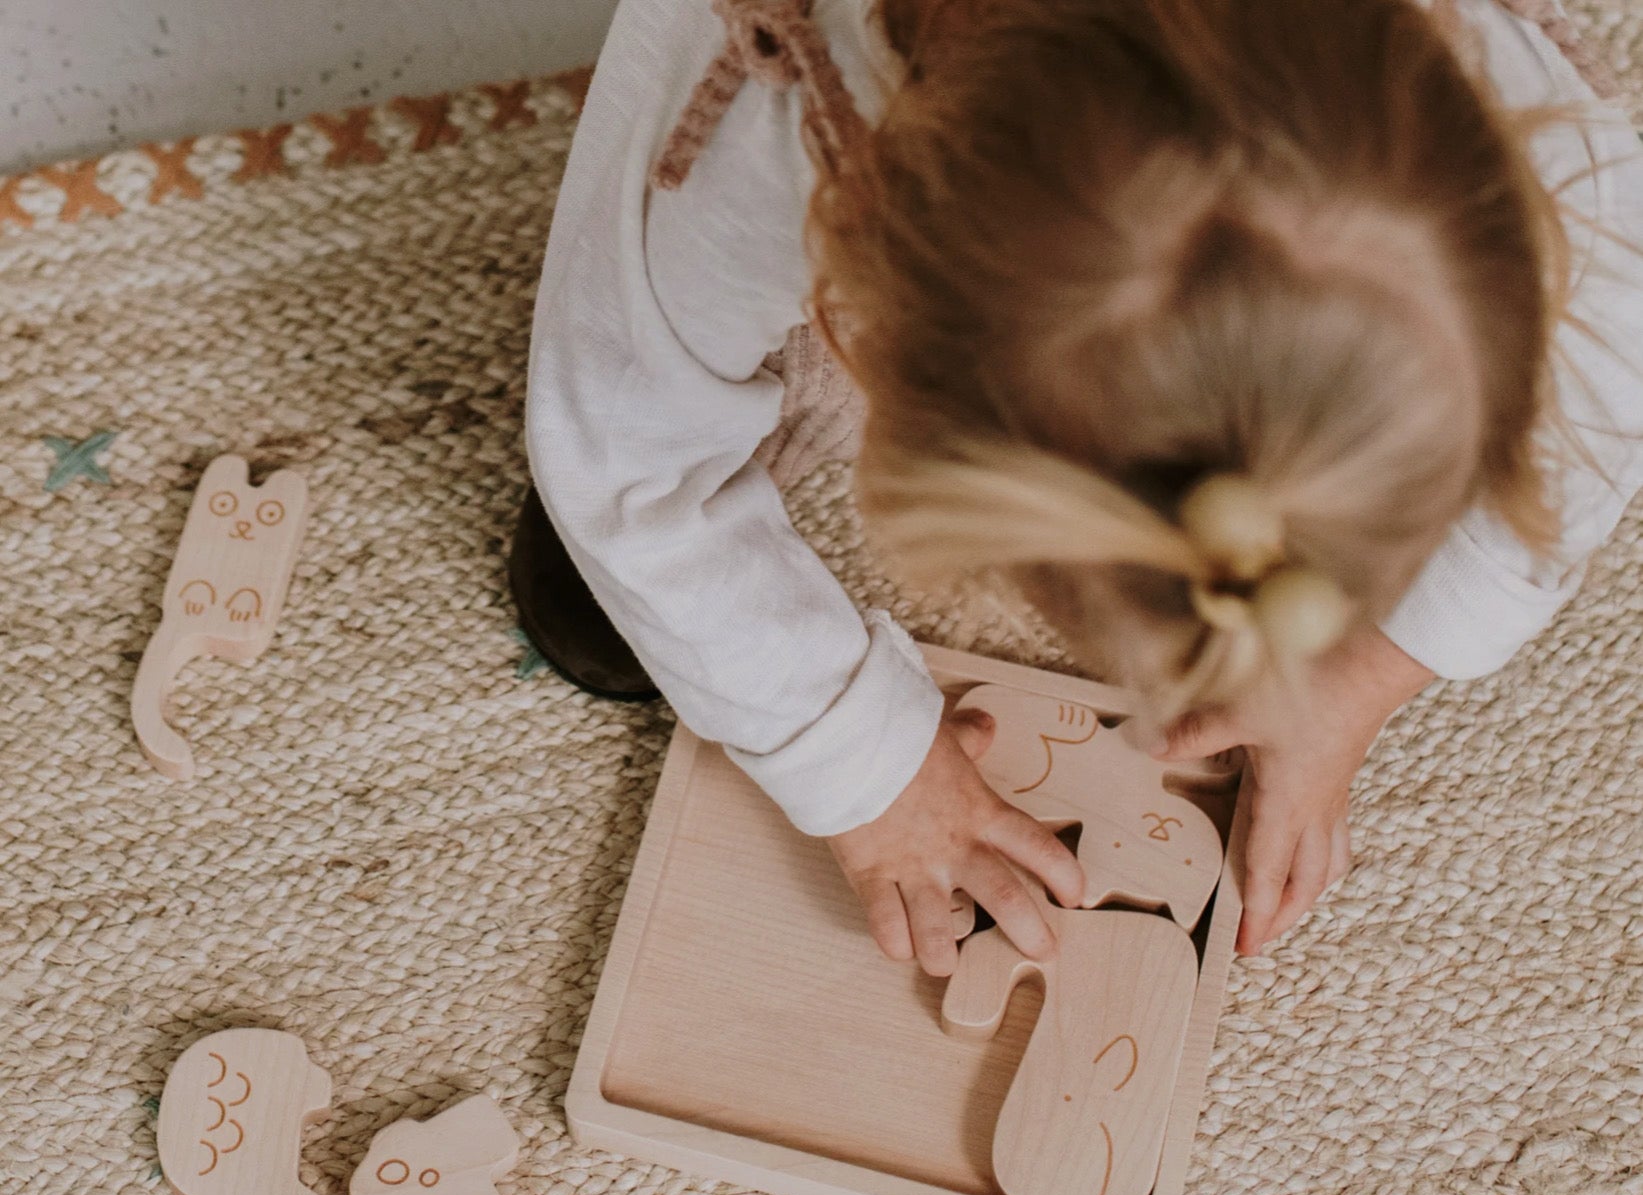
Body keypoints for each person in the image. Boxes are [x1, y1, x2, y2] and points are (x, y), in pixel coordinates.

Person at [516, 0, 1643, 975]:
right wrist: (859, 762)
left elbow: (1604, 370)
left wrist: (1363, 673)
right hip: (842, 161)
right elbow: (621, 443)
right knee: (609, 588)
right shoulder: (756, 143)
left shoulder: (1535, 158)